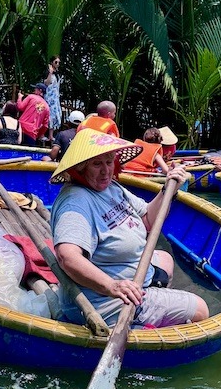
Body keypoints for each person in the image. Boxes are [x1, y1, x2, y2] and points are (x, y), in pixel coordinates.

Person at [50, 129, 209, 329]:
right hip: (104, 300)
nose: (106, 170)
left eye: (109, 162)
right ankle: (140, 318)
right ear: (80, 169)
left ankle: (154, 304)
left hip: (130, 273)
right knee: (201, 309)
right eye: (97, 164)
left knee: (166, 259)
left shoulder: (111, 188)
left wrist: (168, 189)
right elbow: (67, 257)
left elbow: (147, 220)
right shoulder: (76, 202)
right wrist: (112, 286)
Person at [44, 55, 63, 140]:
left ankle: (51, 135)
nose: (57, 64)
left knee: (55, 115)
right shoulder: (48, 72)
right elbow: (46, 83)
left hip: (55, 97)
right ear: (52, 62)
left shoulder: (58, 73)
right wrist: (50, 73)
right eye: (56, 62)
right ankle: (44, 134)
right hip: (49, 96)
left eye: (59, 62)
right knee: (48, 115)